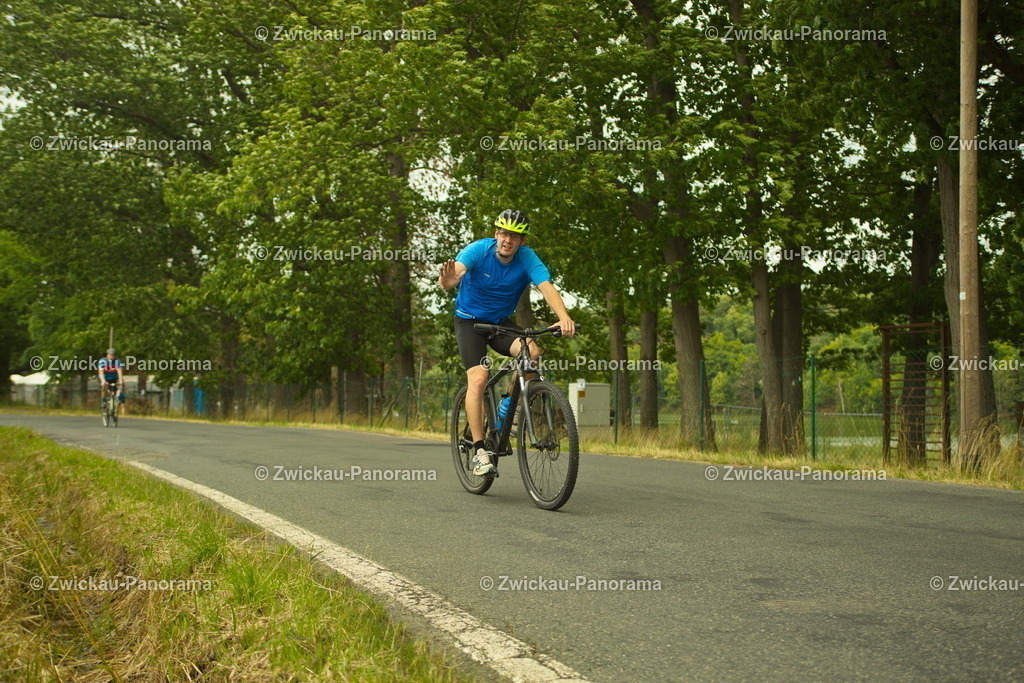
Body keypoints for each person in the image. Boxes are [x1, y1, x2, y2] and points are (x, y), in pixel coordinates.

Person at [438, 209, 576, 476]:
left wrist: (564, 318)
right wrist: (449, 280)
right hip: (469, 323)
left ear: (522, 241)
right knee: (478, 378)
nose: (507, 240)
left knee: (532, 351)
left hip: (500, 323)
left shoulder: (526, 258)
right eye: (503, 233)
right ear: (495, 234)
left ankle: (507, 412)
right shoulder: (479, 250)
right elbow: (457, 271)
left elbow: (547, 287)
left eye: (514, 236)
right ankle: (479, 451)